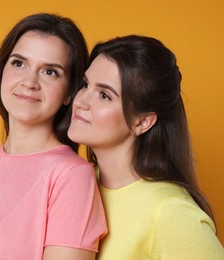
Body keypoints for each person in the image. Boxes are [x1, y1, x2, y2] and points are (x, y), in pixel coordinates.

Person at [0, 13, 107, 260]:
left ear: (69, 92)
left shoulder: (71, 176)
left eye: (49, 72)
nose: (29, 82)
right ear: (2, 71)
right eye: (19, 63)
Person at [68, 35, 224, 259]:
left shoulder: (169, 212)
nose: (81, 101)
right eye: (85, 84)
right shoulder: (74, 181)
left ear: (142, 122)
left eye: (104, 95)